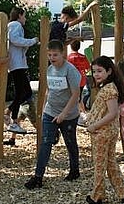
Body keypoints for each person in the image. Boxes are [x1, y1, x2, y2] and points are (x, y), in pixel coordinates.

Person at [24, 40, 81, 189]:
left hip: (68, 114)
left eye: (55, 55)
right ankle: (38, 176)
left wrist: (63, 114)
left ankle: (75, 170)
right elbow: (49, 90)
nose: (52, 58)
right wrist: (44, 108)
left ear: (62, 53)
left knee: (70, 142)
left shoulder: (70, 70)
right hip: (51, 111)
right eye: (49, 55)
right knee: (46, 142)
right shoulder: (50, 70)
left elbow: (76, 94)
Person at [85, 56, 124, 204]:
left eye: (99, 71)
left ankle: (97, 195)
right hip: (108, 131)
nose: (96, 74)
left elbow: (112, 113)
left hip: (102, 132)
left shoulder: (109, 89)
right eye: (94, 71)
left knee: (100, 164)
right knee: (111, 163)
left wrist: (94, 126)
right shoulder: (109, 87)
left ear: (109, 71)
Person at [6, 7, 39, 135]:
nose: (25, 19)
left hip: (17, 63)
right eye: (24, 16)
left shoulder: (12, 25)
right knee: (26, 92)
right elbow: (15, 40)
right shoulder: (15, 25)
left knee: (21, 92)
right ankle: (9, 113)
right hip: (17, 64)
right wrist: (32, 41)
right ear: (19, 15)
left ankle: (13, 119)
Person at [67, 39, 91, 126]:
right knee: (79, 97)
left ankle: (80, 115)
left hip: (72, 80)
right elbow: (88, 68)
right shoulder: (83, 57)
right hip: (81, 79)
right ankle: (83, 113)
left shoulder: (69, 57)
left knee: (74, 98)